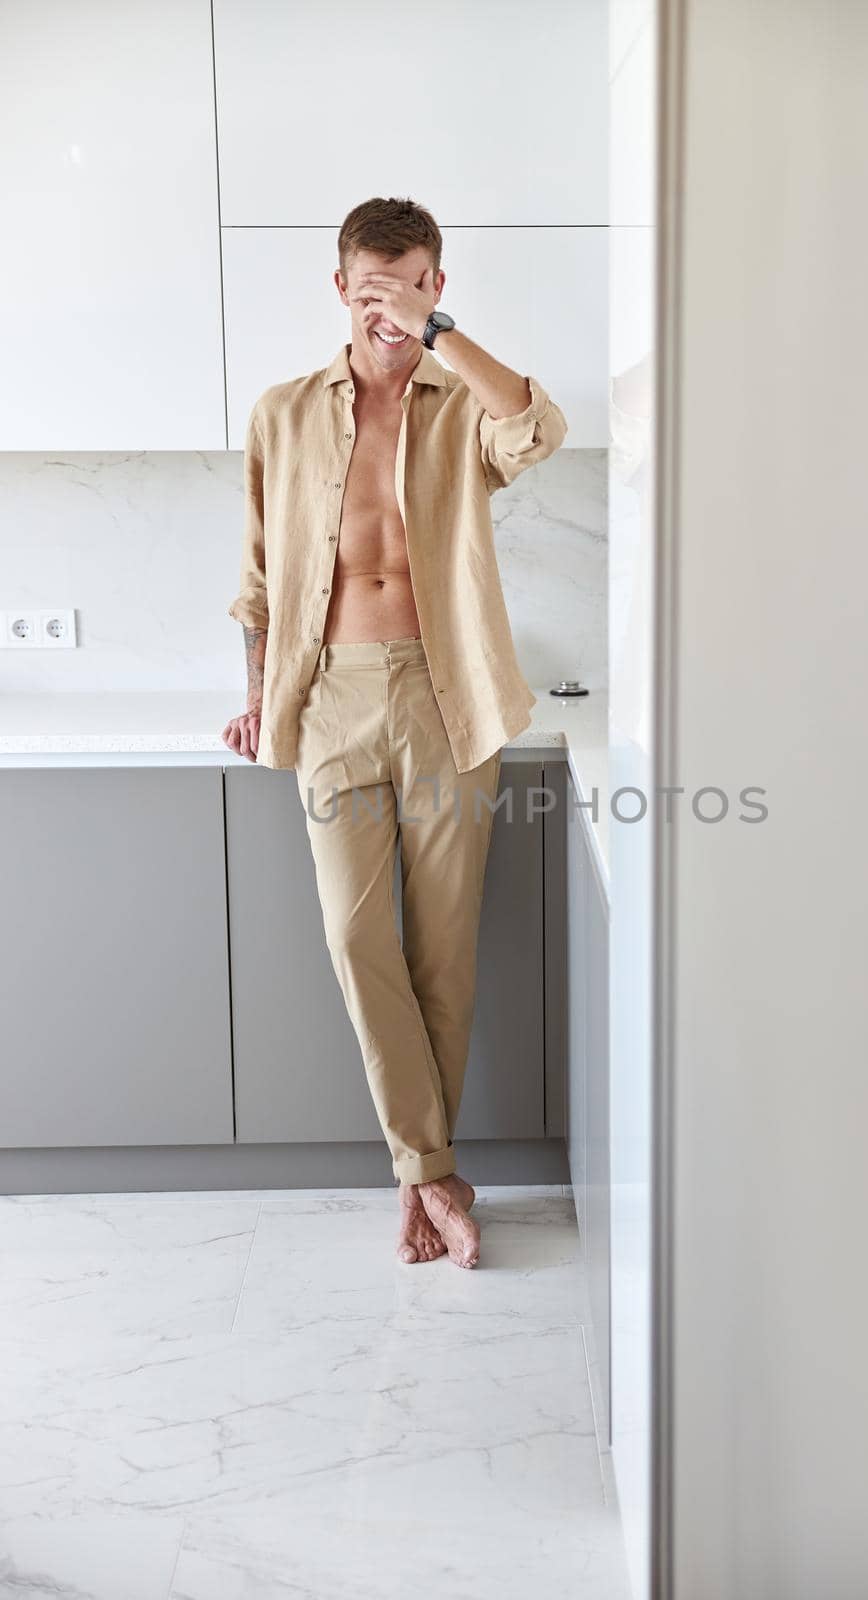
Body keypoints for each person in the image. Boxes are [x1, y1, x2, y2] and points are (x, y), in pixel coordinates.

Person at [221, 196, 567, 1270]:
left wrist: (439, 335)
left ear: (433, 281)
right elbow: (258, 580)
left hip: (442, 691)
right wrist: (257, 691)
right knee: (354, 939)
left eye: (410, 281)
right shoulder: (282, 411)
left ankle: (425, 1177)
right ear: (339, 288)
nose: (387, 303)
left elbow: (537, 429)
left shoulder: (458, 400)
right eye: (371, 287)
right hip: (326, 697)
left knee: (444, 956)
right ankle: (433, 1170)